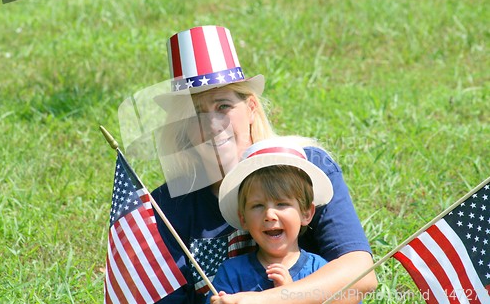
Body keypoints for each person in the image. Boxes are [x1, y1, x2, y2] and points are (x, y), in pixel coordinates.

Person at [149, 25, 377, 304]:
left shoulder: (306, 167)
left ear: (252, 108)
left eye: (223, 106)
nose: (212, 125)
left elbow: (360, 274)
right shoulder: (167, 206)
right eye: (197, 113)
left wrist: (268, 300)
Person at [204, 138, 334, 304]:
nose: (270, 215)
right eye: (258, 205)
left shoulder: (319, 271)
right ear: (243, 218)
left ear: (306, 213)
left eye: (282, 204)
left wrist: (289, 295)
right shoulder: (231, 274)